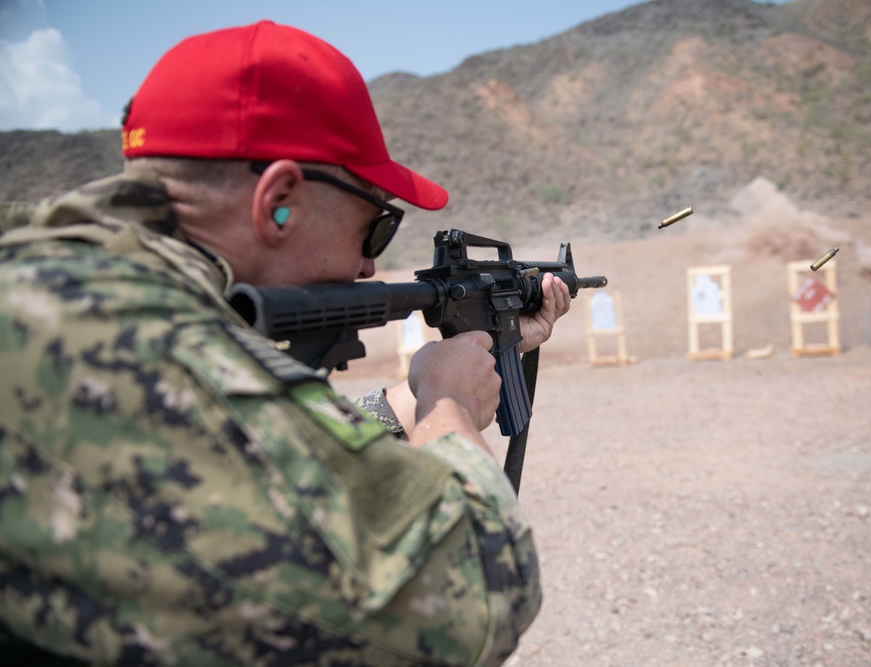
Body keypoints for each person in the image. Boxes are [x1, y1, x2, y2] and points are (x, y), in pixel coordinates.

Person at [0, 21, 571, 666]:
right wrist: (450, 407)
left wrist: (417, 396)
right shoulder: (139, 346)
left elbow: (257, 440)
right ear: (279, 200)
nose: (365, 269)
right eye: (375, 228)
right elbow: (478, 594)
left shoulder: (62, 282)